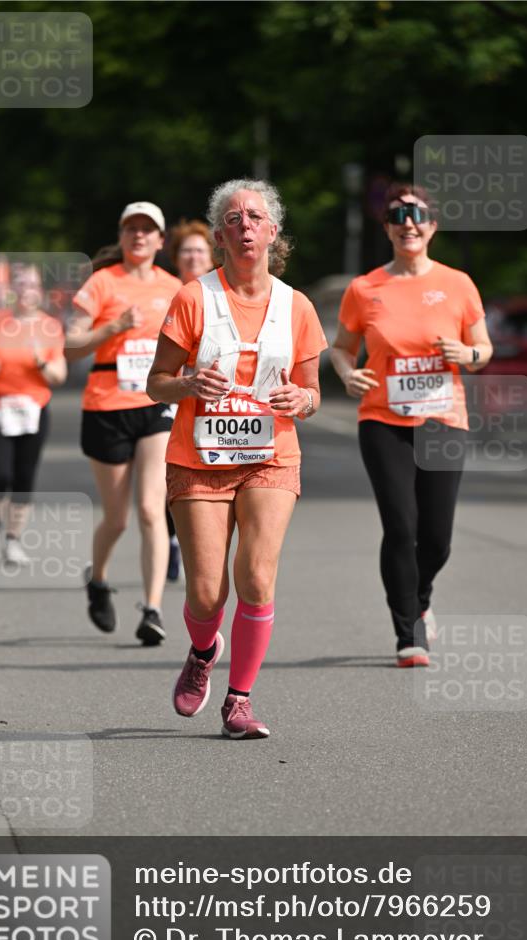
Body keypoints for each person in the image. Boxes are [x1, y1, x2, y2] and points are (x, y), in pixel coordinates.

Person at [148, 178, 326, 739]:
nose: (244, 225)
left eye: (254, 216)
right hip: (198, 459)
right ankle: (203, 651)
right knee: (206, 592)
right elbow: (156, 384)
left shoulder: (297, 306)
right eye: (232, 218)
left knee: (256, 576)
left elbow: (312, 393)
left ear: (273, 232)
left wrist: (302, 399)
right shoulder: (193, 298)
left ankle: (240, 700)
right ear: (220, 236)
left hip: (270, 456)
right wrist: (188, 384)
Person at [331, 182, 493, 668]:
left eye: (417, 215)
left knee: (437, 535)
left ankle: (420, 593)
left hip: (444, 418)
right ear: (387, 228)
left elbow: (483, 349)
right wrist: (346, 372)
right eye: (398, 216)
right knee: (401, 526)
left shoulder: (458, 283)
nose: (409, 224)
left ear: (433, 226)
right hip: (383, 419)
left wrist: (467, 355)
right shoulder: (365, 288)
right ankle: (408, 631)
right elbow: (340, 347)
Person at [65, 202, 182, 646]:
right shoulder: (101, 283)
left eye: (147, 230)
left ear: (159, 239)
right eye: (131, 229)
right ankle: (97, 580)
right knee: (116, 518)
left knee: (153, 508)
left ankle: (152, 609)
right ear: (122, 235)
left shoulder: (174, 288)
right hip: (105, 406)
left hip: (154, 406)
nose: (139, 236)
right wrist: (112, 326)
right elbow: (70, 346)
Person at [0, 263, 67, 565]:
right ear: (12, 290)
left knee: (24, 477)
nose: (26, 290)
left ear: (40, 291)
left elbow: (59, 375)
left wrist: (41, 362)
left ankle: (13, 540)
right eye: (21, 284)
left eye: (32, 285)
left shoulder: (49, 326)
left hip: (33, 410)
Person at [164, 219, 215, 581]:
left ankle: (184, 539)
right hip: (166, 395)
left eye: (200, 250)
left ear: (211, 256)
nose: (194, 256)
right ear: (176, 258)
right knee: (164, 474)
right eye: (187, 251)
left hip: (211, 404)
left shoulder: (223, 295)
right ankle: (171, 536)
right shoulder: (166, 293)